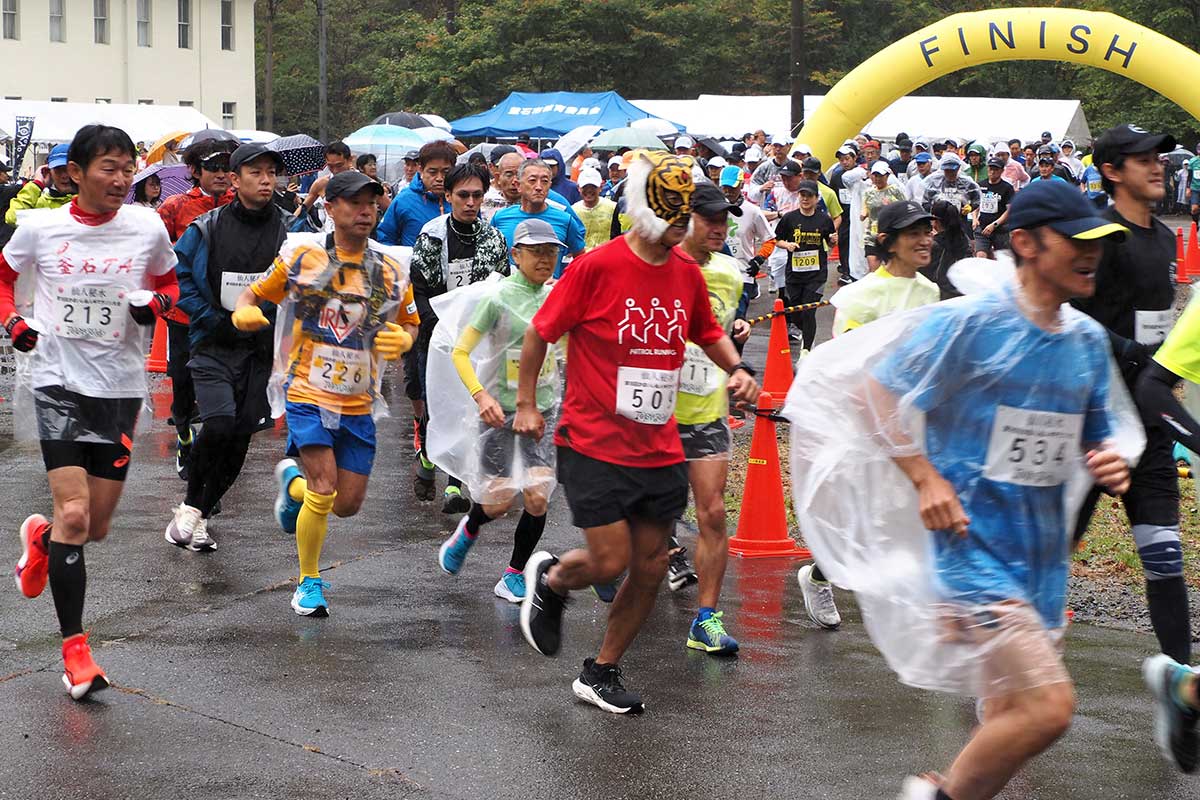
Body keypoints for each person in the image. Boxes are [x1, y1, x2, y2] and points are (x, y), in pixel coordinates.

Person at [792, 178, 1132, 800]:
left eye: (1099, 242)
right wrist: (925, 479)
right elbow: (876, 389)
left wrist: (1107, 460)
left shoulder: (1084, 340)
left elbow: (1097, 432)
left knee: (1008, 720)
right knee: (1049, 708)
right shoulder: (976, 324)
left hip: (1043, 564)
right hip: (972, 554)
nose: (1092, 253)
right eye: (1075, 240)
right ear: (1025, 243)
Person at [515, 151, 759, 713]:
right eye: (674, 220)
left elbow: (707, 330)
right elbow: (540, 334)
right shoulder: (596, 266)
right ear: (649, 214)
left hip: (658, 445)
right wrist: (527, 403)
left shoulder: (685, 275)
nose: (682, 231)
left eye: (685, 221)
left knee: (650, 565)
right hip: (594, 441)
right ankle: (551, 580)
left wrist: (737, 369)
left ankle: (600, 671)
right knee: (609, 561)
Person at [6, 125, 179, 699]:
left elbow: (170, 286)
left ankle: (42, 540)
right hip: (56, 380)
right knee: (76, 515)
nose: (122, 178)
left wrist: (153, 303)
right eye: (109, 166)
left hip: (120, 388)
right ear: (75, 173)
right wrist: (14, 323)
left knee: (93, 528)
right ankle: (76, 653)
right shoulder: (39, 228)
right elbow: (4, 281)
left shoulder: (146, 226)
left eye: (129, 167)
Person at [1068, 123, 1197, 772]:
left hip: (1144, 425)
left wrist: (1160, 375)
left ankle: (1182, 687)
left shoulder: (1167, 237)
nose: (1159, 167)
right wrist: (1133, 358)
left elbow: (1162, 328)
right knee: (1048, 561)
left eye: (1160, 157)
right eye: (1145, 159)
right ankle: (1005, 685)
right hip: (1087, 424)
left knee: (1164, 555)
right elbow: (1076, 320)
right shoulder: (1098, 234)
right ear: (1114, 170)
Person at [232, 171, 420, 617]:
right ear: (329, 208)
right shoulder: (302, 258)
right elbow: (252, 296)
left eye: (372, 202)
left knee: (348, 505)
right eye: (353, 202)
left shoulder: (391, 268)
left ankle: (291, 486)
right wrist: (244, 315)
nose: (365, 210)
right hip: (307, 390)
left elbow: (409, 319)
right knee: (325, 486)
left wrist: (405, 339)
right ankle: (308, 582)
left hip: (358, 398)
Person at [164, 143, 288, 553]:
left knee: (239, 439)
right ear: (235, 181)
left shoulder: (287, 230)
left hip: (259, 348)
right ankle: (192, 508)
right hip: (213, 342)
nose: (266, 180)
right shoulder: (207, 227)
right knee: (218, 423)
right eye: (256, 173)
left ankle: (194, 511)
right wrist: (213, 317)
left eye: (272, 172)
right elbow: (178, 276)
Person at [434, 218, 562, 602]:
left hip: (542, 411)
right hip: (498, 413)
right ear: (516, 255)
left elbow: (570, 347)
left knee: (539, 496)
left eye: (551, 251)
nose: (545, 259)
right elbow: (459, 351)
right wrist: (480, 396)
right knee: (498, 502)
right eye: (536, 251)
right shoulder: (498, 299)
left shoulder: (557, 297)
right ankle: (469, 529)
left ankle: (513, 574)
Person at [672, 183, 751, 654]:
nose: (720, 227)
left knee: (714, 513)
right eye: (710, 219)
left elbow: (720, 333)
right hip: (652, 413)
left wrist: (736, 366)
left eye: (725, 218)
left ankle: (706, 618)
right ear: (687, 220)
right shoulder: (660, 265)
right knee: (644, 516)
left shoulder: (729, 273)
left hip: (705, 410)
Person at [410, 163, 510, 509]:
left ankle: (456, 484)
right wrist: (434, 325)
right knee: (437, 407)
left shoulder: (493, 239)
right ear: (448, 195)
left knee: (469, 408)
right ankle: (426, 456)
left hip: (477, 340)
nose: (470, 202)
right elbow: (419, 287)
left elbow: (502, 287)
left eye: (477, 196)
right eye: (463, 195)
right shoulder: (432, 235)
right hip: (437, 336)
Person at [157, 138, 237, 481]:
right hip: (184, 313)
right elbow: (158, 258)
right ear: (194, 171)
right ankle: (184, 435)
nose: (221, 175)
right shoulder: (174, 207)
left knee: (225, 388)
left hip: (230, 312)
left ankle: (208, 459)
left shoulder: (243, 204)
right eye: (214, 168)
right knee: (183, 381)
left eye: (227, 168)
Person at [831, 200, 939, 335]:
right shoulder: (858, 297)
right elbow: (848, 351)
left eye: (927, 232)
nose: (925, 241)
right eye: (914, 234)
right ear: (886, 241)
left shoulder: (931, 291)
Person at [491, 159, 586, 280]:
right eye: (532, 181)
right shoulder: (500, 217)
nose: (539, 187)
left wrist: (562, 282)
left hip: (548, 295)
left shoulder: (565, 219)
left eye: (544, 181)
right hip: (508, 295)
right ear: (518, 185)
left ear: (550, 186)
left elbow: (582, 260)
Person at [776, 180, 836, 353]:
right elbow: (776, 240)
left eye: (809, 195)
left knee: (809, 310)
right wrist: (787, 245)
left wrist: (832, 241)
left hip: (816, 274)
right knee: (796, 313)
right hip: (794, 274)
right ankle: (807, 336)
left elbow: (829, 242)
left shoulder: (824, 220)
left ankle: (807, 350)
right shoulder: (789, 218)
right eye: (802, 195)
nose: (805, 199)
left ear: (817, 198)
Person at [718, 166, 775, 324]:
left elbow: (770, 239)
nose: (728, 191)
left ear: (742, 185)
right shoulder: (714, 209)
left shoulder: (752, 211)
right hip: (719, 273)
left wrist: (759, 259)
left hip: (743, 275)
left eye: (732, 187)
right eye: (725, 187)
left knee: (737, 322)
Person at [5, 144, 76, 225]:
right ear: (48, 171)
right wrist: (37, 184)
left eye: (68, 170)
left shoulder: (88, 202)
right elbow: (13, 218)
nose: (64, 176)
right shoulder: (39, 202)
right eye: (58, 170)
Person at [294, 141, 354, 230]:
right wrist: (287, 225)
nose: (335, 170)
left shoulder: (365, 183)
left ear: (349, 160)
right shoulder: (322, 184)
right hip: (330, 235)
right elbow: (303, 208)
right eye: (330, 166)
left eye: (339, 165)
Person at [861, 161, 906, 272]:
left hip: (891, 235)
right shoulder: (868, 192)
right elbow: (865, 208)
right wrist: (863, 214)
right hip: (872, 235)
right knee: (874, 271)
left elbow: (904, 208)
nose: (877, 179)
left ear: (887, 176)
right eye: (875, 175)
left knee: (892, 270)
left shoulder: (895, 190)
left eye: (880, 176)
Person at [973, 157, 1015, 258]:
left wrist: (995, 224)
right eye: (991, 168)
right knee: (980, 256)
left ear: (1002, 171)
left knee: (1002, 259)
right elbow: (976, 204)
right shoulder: (980, 185)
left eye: (996, 169)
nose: (992, 172)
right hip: (982, 227)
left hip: (1000, 230)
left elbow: (1009, 210)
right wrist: (974, 219)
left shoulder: (1007, 188)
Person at [573, 169, 617, 251]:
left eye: (593, 187)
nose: (589, 190)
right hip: (582, 259)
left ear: (600, 187)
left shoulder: (613, 208)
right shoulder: (573, 211)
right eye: (585, 187)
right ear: (579, 188)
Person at [1187, 144, 1200, 226]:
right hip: (1195, 188)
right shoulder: (1192, 161)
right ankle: (1195, 223)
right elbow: (1190, 176)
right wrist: (1188, 188)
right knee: (1194, 208)